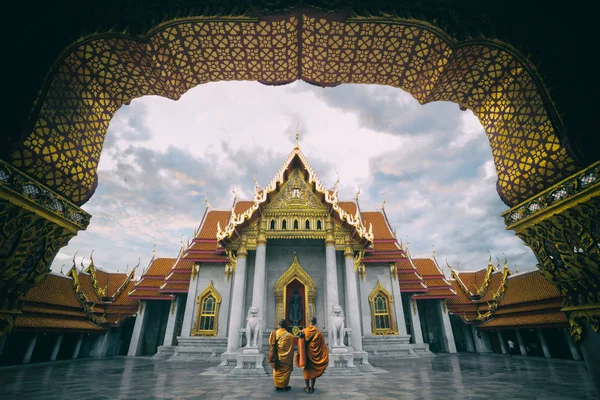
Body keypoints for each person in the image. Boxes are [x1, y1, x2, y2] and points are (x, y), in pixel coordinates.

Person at [296, 316, 329, 394]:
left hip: (306, 355)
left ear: (309, 322)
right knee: (313, 371)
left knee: (306, 371)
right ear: (315, 323)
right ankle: (312, 387)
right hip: (315, 355)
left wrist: (300, 353)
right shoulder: (319, 333)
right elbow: (322, 346)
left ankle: (307, 387)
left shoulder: (304, 331)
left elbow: (300, 343)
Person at [269, 319, 294, 392]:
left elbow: (270, 344)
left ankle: (277, 385)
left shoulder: (273, 333)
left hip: (276, 356)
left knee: (276, 370)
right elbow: (291, 348)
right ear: (286, 325)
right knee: (284, 371)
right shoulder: (289, 336)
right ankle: (283, 386)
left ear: (279, 325)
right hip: (286, 358)